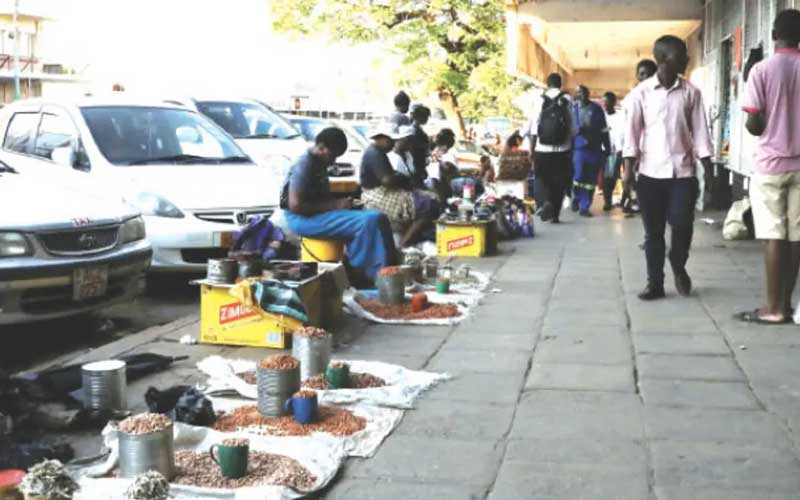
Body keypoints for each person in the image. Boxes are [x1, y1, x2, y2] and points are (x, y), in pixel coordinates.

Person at [623, 36, 713, 301]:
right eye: (680, 55)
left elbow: (701, 133)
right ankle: (655, 284)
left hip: (683, 174)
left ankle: (678, 262)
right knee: (653, 233)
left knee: (682, 224)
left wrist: (709, 169)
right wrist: (628, 173)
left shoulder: (691, 93)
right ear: (664, 59)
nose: (686, 59)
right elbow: (631, 136)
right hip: (650, 174)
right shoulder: (640, 94)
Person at [735, 9, 800, 324]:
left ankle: (773, 309)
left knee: (773, 235)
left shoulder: (760, 70)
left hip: (770, 166)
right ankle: (786, 303)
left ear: (774, 35)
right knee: (797, 236)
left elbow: (754, 125)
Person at [281, 127, 398, 286]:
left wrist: (342, 203)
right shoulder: (305, 165)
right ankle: (366, 275)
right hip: (302, 219)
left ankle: (389, 271)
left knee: (379, 217)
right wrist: (336, 205)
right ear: (321, 147)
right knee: (368, 221)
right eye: (333, 156)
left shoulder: (318, 161)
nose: (333, 161)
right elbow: (296, 206)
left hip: (314, 214)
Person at [360, 126, 441, 248]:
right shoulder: (374, 153)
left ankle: (410, 239)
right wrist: (402, 178)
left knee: (432, 197)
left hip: (384, 191)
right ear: (383, 139)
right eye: (391, 141)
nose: (393, 144)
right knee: (429, 204)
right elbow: (388, 180)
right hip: (378, 195)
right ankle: (404, 244)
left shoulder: (378, 152)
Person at [524, 72, 574, 223]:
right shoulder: (568, 99)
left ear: (547, 84)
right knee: (559, 181)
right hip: (563, 149)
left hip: (542, 149)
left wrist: (531, 151)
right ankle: (556, 215)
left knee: (542, 178)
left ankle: (545, 201)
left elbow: (534, 127)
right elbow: (573, 127)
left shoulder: (539, 100)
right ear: (561, 84)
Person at [621, 59, 658, 215]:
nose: (646, 78)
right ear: (637, 76)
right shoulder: (632, 97)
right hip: (634, 149)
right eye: (642, 74)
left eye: (649, 74)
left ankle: (638, 202)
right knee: (633, 179)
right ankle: (631, 200)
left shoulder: (660, 96)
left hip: (654, 151)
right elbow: (629, 128)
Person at [571, 85, 610, 217]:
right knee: (578, 176)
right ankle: (576, 197)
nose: (581, 95)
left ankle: (584, 207)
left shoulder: (597, 109)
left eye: (583, 92)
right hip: (578, 149)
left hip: (594, 149)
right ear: (575, 95)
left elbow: (604, 130)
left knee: (590, 180)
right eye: (578, 93)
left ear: (588, 94)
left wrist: (607, 146)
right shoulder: (572, 109)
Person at [602, 91, 624, 211]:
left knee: (611, 176)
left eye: (607, 101)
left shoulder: (620, 116)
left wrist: (620, 149)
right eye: (604, 101)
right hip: (602, 150)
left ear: (614, 102)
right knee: (605, 177)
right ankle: (607, 200)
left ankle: (608, 200)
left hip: (615, 150)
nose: (605, 104)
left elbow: (622, 133)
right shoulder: (601, 116)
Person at [408, 104, 432, 188]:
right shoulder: (415, 131)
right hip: (417, 163)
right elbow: (416, 147)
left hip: (419, 163)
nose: (427, 119)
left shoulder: (417, 129)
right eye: (426, 117)